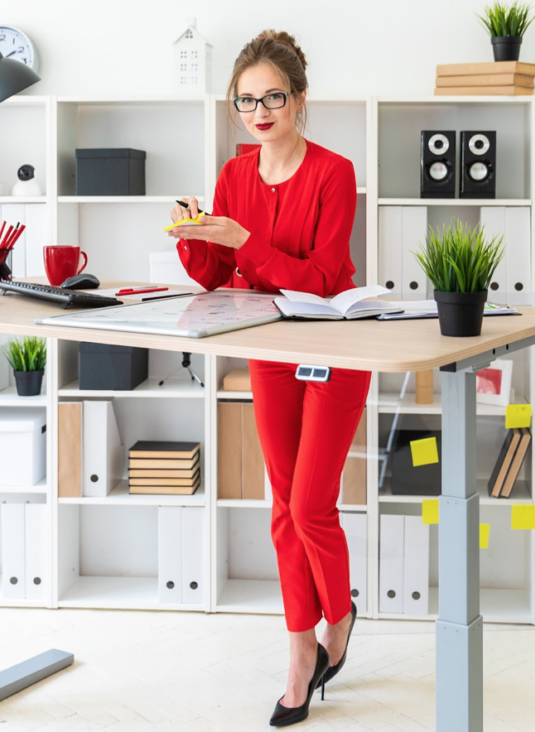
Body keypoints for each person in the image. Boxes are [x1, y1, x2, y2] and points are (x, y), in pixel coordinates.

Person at [169, 29, 368, 727]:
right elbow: (220, 278)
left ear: (299, 100)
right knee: (282, 508)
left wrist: (241, 242)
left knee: (312, 504)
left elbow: (317, 278)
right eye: (246, 100)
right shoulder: (232, 176)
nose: (259, 111)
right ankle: (299, 657)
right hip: (267, 350)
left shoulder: (334, 173)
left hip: (334, 347)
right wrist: (197, 237)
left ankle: (338, 617)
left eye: (273, 98)